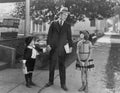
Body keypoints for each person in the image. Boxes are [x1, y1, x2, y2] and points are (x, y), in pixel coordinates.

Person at [45, 7, 73, 91]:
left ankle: (63, 84)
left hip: (62, 49)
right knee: (52, 66)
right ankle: (50, 81)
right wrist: (48, 44)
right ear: (60, 14)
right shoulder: (53, 23)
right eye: (64, 14)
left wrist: (71, 46)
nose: (65, 16)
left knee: (62, 67)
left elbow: (69, 37)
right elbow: (49, 35)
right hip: (53, 49)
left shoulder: (67, 25)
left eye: (66, 15)